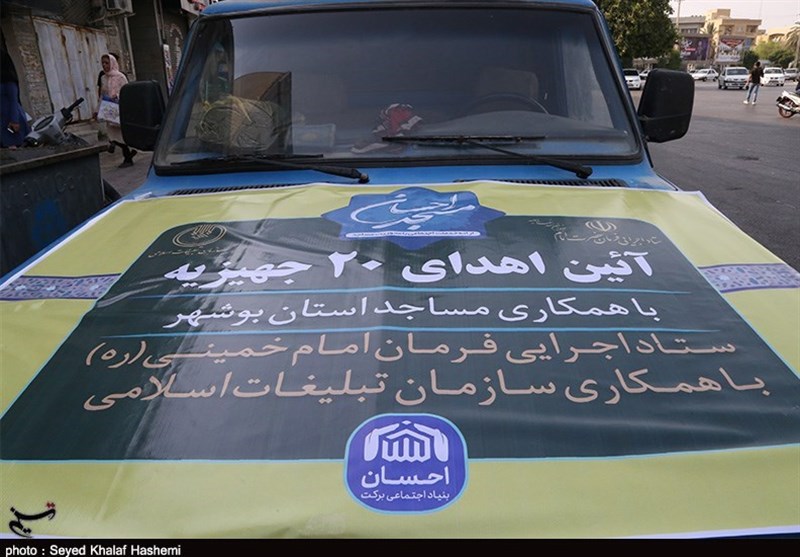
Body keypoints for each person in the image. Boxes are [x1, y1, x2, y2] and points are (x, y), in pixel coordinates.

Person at [95, 53, 137, 167]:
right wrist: (97, 110)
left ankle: (128, 158)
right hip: (109, 110)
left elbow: (127, 92)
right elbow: (102, 95)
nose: (104, 65)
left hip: (120, 109)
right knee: (112, 135)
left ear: (112, 63)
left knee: (122, 135)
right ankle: (129, 153)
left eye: (107, 63)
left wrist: (117, 96)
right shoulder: (103, 78)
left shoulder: (120, 77)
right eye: (103, 63)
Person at [1, 37, 30, 148]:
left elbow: (13, 100)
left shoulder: (8, 80)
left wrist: (14, 120)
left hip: (11, 120)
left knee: (16, 148)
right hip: (2, 120)